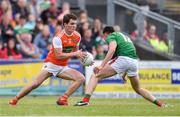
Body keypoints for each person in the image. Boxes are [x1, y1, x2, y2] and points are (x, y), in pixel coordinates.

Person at [75, 26, 166, 107]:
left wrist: (101, 66)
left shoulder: (112, 36)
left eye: (104, 37)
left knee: (95, 75)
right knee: (138, 88)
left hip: (123, 59)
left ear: (106, 34)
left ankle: (85, 101)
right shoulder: (124, 37)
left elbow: (112, 50)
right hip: (134, 62)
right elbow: (129, 56)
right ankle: (159, 103)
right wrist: (124, 73)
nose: (105, 39)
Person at [9, 13, 87, 106]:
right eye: (71, 24)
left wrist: (84, 59)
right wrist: (75, 53)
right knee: (35, 84)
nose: (74, 26)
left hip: (63, 67)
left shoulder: (77, 36)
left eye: (75, 24)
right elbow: (59, 56)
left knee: (81, 78)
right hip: (51, 64)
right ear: (65, 24)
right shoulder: (58, 37)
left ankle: (63, 99)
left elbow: (76, 51)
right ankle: (15, 99)